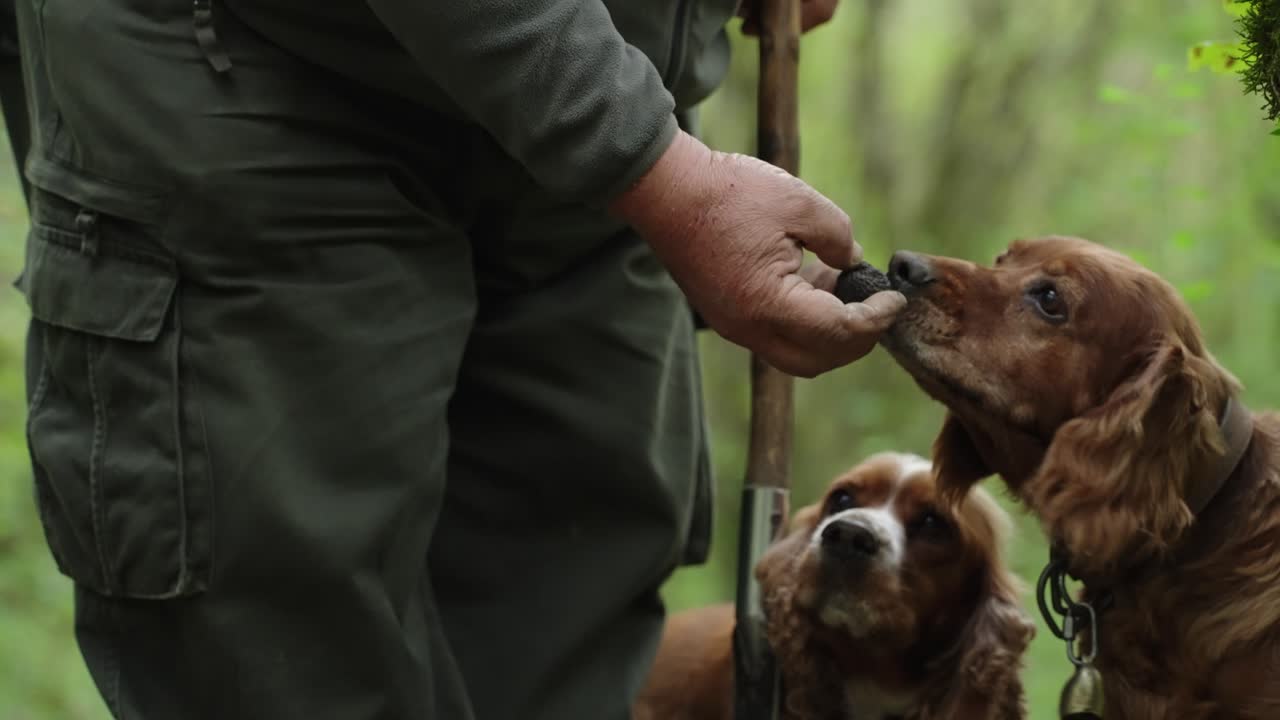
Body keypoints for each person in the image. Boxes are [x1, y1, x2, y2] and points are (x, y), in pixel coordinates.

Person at [13, 0, 905, 718]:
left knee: (569, 617)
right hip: (251, 81)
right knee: (291, 648)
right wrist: (644, 157)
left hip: (609, 113)